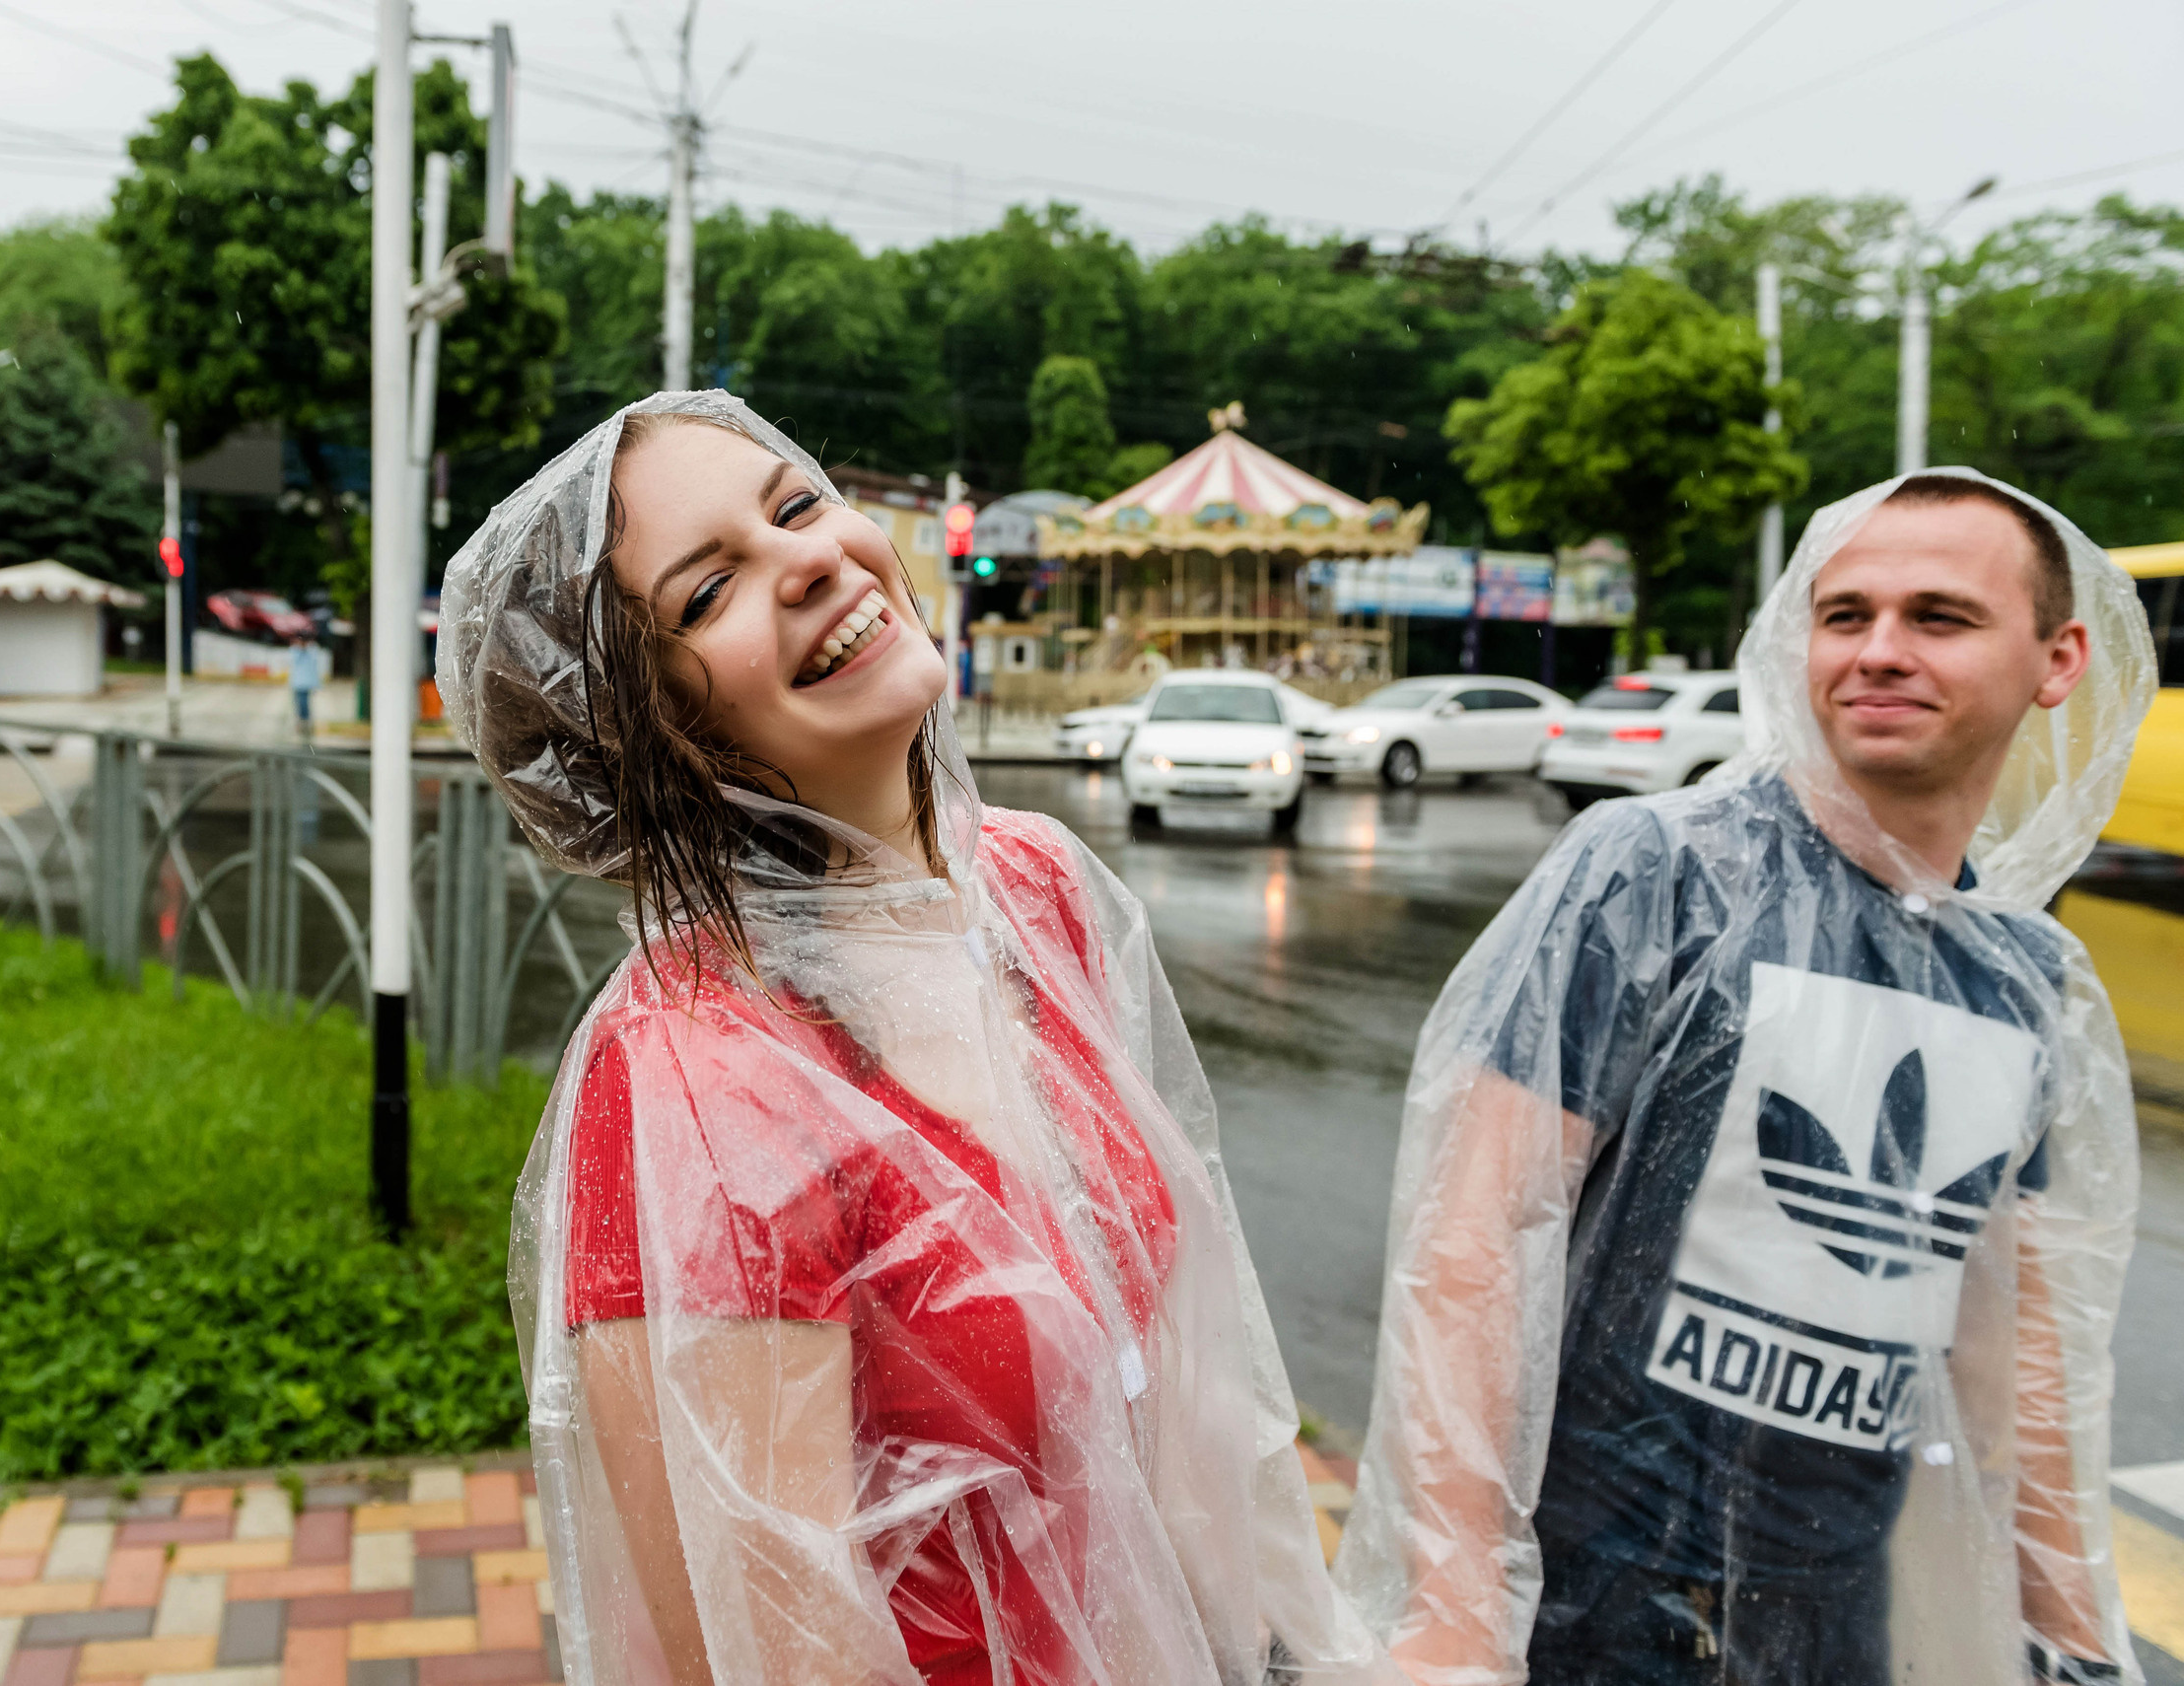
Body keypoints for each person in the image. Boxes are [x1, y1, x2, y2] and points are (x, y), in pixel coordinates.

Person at [436, 391, 1393, 1686]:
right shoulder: (701, 1086)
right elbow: (776, 1648)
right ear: (639, 734)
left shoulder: (1035, 891)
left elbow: (1170, 1384)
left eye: (796, 505)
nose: (814, 558)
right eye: (710, 590)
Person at [1337, 469, 2158, 1686]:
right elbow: (1473, 1242)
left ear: (2058, 659)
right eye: (1844, 615)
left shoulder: (2022, 975)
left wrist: (2071, 1636)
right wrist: (1457, 1609)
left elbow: (2013, 1361)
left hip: (1833, 1623)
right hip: (1584, 1610)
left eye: (1938, 617)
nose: (1879, 651)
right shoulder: (1655, 876)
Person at [287, 632, 327, 741]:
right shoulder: (295, 650)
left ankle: (305, 721)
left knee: (304, 702)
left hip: (306, 682)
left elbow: (315, 665)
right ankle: (301, 721)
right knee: (298, 702)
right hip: (297, 682)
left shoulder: (312, 650)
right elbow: (293, 661)